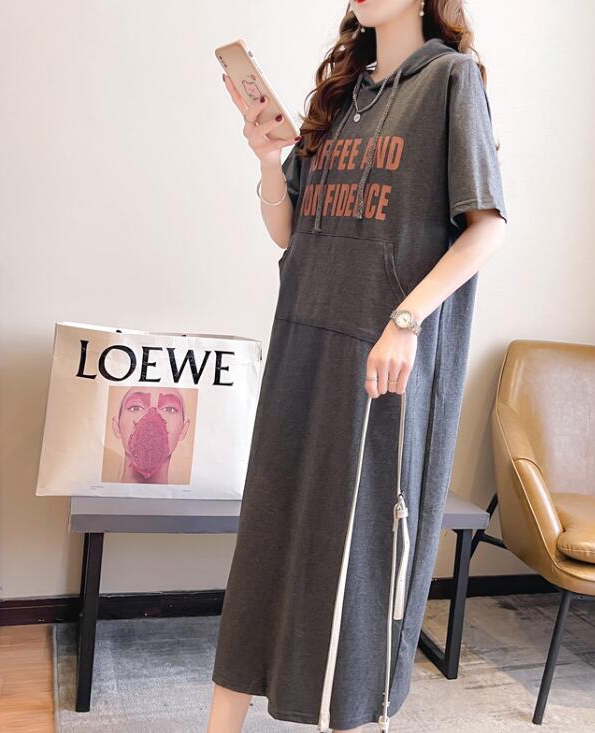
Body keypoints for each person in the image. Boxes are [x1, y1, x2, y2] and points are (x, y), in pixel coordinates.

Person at [207, 1, 508, 731]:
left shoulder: (450, 80)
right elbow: (291, 230)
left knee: (359, 561)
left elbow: (487, 227)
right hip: (302, 344)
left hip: (379, 364)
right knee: (266, 540)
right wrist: (267, 160)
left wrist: (406, 320)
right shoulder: (343, 92)